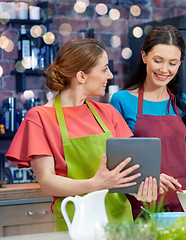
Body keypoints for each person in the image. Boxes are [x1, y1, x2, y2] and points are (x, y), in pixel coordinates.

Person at [6, 38, 158, 231]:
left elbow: (130, 169)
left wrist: (144, 184)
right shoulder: (39, 118)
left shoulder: (108, 113)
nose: (110, 75)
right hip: (76, 225)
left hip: (121, 224)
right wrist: (95, 184)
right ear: (81, 76)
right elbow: (47, 182)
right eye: (104, 69)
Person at [110, 25, 186, 217]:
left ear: (180, 63)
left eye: (173, 63)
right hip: (140, 204)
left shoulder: (183, 102)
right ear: (144, 57)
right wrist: (149, 177)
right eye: (158, 60)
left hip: (181, 205)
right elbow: (118, 164)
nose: (164, 70)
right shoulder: (121, 101)